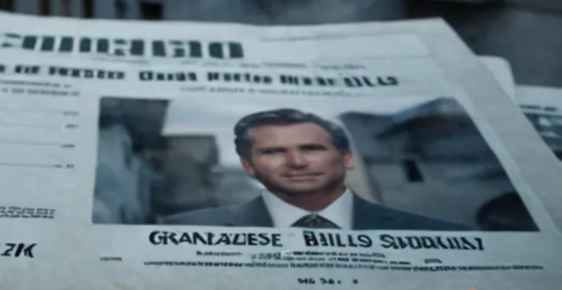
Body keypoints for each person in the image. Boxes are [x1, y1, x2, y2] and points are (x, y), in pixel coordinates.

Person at [160, 108, 467, 230]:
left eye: (312, 149)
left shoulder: (436, 233)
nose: (297, 162)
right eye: (274, 151)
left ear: (346, 158)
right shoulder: (187, 229)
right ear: (249, 167)